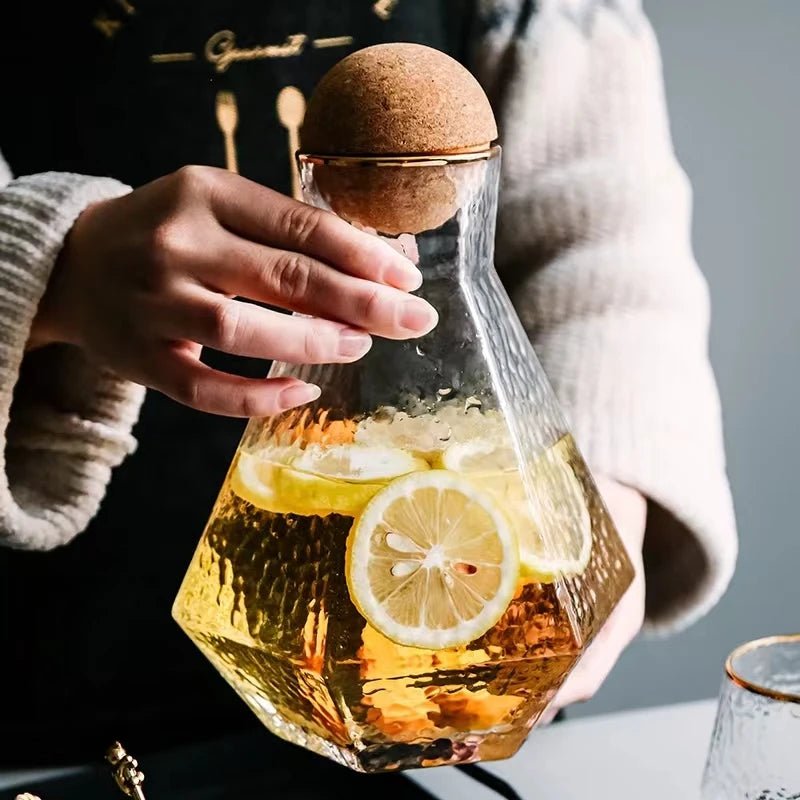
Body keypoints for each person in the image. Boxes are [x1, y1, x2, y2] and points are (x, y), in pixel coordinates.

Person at [0, 0, 736, 776]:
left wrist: (590, 515)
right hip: (41, 681)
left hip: (462, 717)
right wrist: (52, 267)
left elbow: (596, 224)